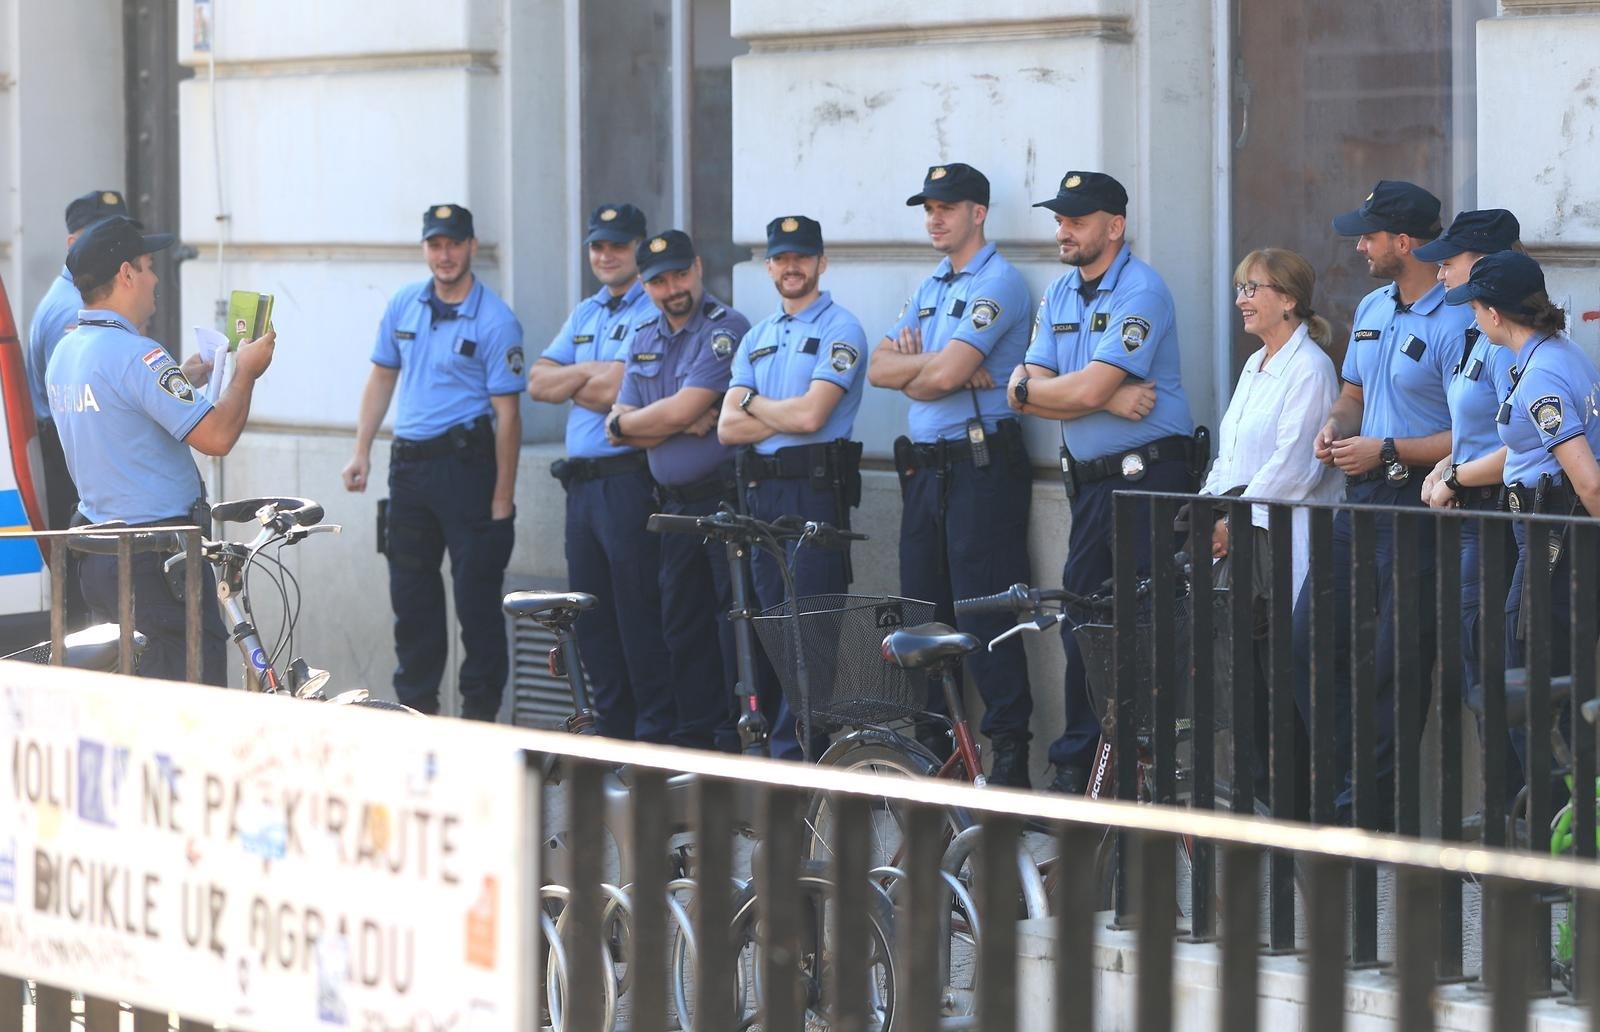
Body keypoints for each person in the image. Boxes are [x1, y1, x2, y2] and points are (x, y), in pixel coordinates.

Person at [1007, 170, 1198, 794]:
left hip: (1147, 482)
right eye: (1060, 219)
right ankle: (1082, 768)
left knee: (1138, 627)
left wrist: (1065, 391)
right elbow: (1021, 391)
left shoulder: (1141, 290)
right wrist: (1103, 401)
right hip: (1092, 488)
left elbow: (1045, 388)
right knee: (1083, 624)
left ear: (1113, 227)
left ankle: (1140, 776)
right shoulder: (1060, 292)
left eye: (1077, 220)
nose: (1063, 230)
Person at [1295, 180, 1474, 828]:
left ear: (1405, 241)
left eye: (1369, 234)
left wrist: (1387, 449)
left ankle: (1369, 818)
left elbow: (1471, 434)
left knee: (1396, 668)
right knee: (1309, 640)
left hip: (1419, 502)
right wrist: (1337, 428)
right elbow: (1352, 393)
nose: (1360, 244)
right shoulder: (1372, 305)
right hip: (1361, 496)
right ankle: (1347, 794)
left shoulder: (1458, 316)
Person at [46, 214, 275, 684]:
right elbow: (217, 437)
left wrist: (186, 378)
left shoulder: (67, 351)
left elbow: (119, 413)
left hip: (105, 560)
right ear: (126, 274)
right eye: (148, 267)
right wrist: (248, 372)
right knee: (187, 710)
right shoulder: (139, 355)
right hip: (158, 567)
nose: (155, 279)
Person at [868, 162, 1035, 787]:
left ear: (978, 213)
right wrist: (955, 365)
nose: (934, 218)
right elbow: (879, 369)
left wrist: (940, 368)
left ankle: (1010, 758)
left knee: (983, 610)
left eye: (946, 207)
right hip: (927, 468)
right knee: (923, 612)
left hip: (980, 463)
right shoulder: (931, 286)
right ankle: (934, 756)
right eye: (928, 208)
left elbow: (931, 377)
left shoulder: (999, 282)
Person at [341, 204, 523, 721]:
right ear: (425, 248)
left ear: (471, 247)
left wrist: (502, 499)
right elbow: (381, 378)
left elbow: (509, 417)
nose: (444, 255)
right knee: (413, 603)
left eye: (453, 244)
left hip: (467, 470)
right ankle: (417, 719)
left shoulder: (495, 320)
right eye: (435, 244)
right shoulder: (404, 304)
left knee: (476, 606)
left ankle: (480, 723)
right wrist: (362, 451)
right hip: (410, 472)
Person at [1436, 252, 1600, 777]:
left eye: (1475, 307)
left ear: (1493, 313)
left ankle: (1555, 838)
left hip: (1552, 544)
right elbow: (1528, 449)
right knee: (1555, 691)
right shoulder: (1560, 352)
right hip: (1556, 538)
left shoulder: (1540, 376)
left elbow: (1589, 481)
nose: (1473, 317)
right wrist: (1456, 476)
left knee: (1531, 696)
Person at [717, 215, 867, 760]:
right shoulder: (756, 336)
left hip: (813, 495)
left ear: (821, 262)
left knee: (811, 635)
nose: (791, 266)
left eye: (801, 256)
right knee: (769, 629)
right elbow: (726, 428)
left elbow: (812, 417)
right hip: (761, 500)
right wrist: (776, 411)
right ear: (769, 267)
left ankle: (800, 759)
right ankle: (775, 756)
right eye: (781, 258)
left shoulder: (841, 329)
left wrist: (754, 403)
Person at [526, 203, 674, 743]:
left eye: (617, 244)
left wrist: (578, 377)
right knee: (591, 619)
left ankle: (651, 738)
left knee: (638, 616)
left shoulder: (652, 307)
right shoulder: (587, 311)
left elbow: (624, 388)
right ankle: (612, 736)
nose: (606, 255)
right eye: (597, 246)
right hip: (582, 488)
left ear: (639, 246)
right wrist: (594, 372)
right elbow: (539, 383)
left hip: (628, 479)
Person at [1201, 248, 1341, 804]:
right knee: (1245, 687)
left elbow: (1296, 465)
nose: (1241, 300)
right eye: (1240, 288)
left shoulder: (1310, 368)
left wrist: (1231, 519)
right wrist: (1210, 511)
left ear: (1288, 299)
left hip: (1281, 543)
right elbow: (1228, 454)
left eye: (1252, 288)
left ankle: (1295, 813)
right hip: (1237, 538)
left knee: (1279, 682)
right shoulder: (1254, 364)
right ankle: (1258, 803)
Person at [608, 229, 748, 751]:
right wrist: (653, 423)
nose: (674, 288)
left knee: (729, 626)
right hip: (672, 509)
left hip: (722, 501)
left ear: (699, 268)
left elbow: (686, 408)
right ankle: (693, 741)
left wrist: (646, 422)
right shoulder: (643, 336)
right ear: (644, 285)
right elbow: (616, 424)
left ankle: (731, 741)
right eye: (660, 281)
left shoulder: (724, 328)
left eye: (681, 274)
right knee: (681, 627)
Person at [1415, 209, 1524, 801]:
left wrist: (1456, 474)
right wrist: (1446, 467)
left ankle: (1522, 832)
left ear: (1481, 266)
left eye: (1448, 263)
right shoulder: (1474, 332)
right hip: (1470, 514)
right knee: (1478, 672)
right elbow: (1476, 432)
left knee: (1496, 671)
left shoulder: (1511, 339)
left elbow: (1526, 443)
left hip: (1501, 519)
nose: (1438, 275)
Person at [28, 189, 130, 532]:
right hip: (70, 458)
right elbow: (88, 401)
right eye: (101, 235)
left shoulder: (79, 296)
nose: (113, 246)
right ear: (73, 243)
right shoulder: (73, 307)